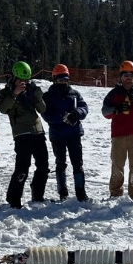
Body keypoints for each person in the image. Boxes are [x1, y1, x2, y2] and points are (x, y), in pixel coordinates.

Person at [0, 61, 49, 209]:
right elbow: (3, 108)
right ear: (14, 78)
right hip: (21, 133)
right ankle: (13, 199)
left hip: (37, 131)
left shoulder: (34, 89)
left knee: (43, 166)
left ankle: (38, 195)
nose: (23, 83)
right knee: (22, 168)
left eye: (25, 80)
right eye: (20, 80)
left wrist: (34, 97)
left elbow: (43, 109)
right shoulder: (5, 92)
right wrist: (14, 94)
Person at [101, 60, 133, 202]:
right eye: (125, 74)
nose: (128, 77)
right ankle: (115, 193)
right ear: (120, 76)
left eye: (131, 74)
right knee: (117, 166)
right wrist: (116, 110)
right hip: (118, 135)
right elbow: (105, 112)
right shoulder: (114, 94)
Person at [41, 64, 89, 202]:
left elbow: (84, 108)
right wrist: (64, 116)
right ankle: (63, 193)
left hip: (74, 133)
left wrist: (77, 114)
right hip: (58, 135)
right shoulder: (48, 96)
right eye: (60, 80)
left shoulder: (74, 93)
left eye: (65, 79)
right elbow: (46, 115)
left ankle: (81, 192)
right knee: (60, 163)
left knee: (77, 163)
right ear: (54, 79)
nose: (63, 82)